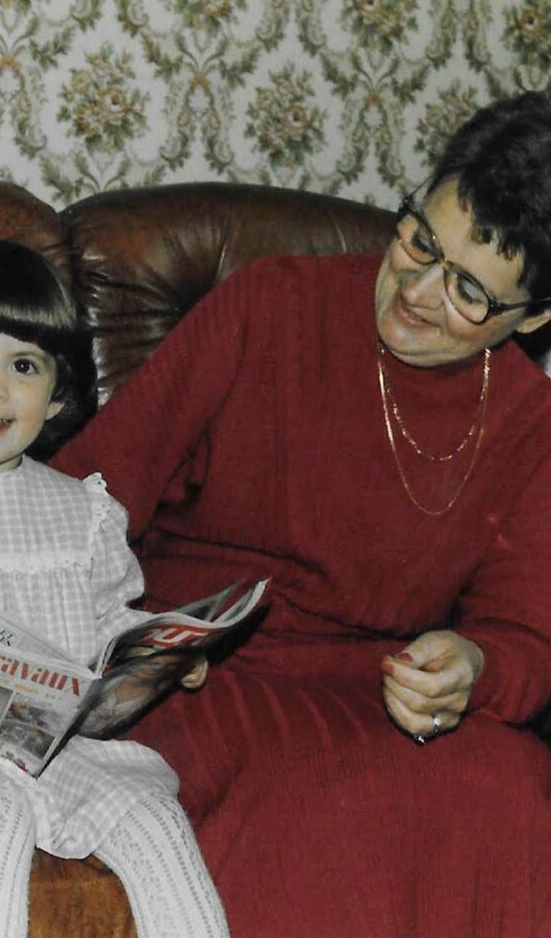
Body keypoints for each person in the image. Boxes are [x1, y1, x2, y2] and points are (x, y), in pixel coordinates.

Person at [52, 90, 551, 937]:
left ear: (532, 319)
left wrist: (469, 665)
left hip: (371, 690)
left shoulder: (529, 423)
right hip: (207, 677)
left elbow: (524, 638)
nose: (419, 292)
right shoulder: (268, 304)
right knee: (318, 816)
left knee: (505, 784)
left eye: (469, 289)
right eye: (419, 240)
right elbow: (81, 499)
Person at [0, 240, 228, 938]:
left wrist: (159, 662)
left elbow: (110, 633)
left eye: (23, 366)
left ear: (58, 392)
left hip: (57, 755)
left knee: (152, 816)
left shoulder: (87, 514)